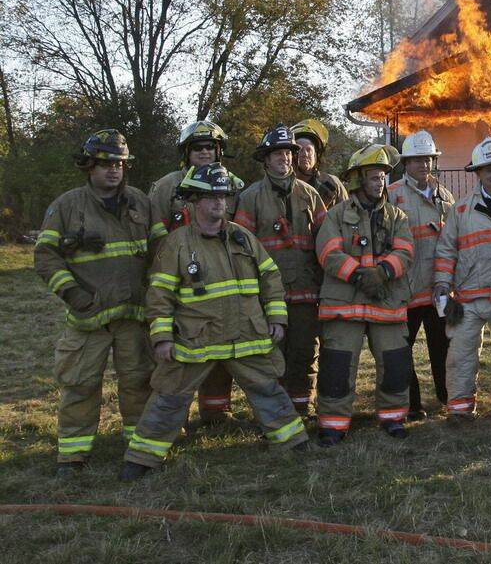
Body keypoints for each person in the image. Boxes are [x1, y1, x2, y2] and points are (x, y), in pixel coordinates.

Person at [120, 163, 307, 481]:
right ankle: (141, 459)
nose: (218, 203)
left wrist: (277, 317)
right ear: (192, 201)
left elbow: (271, 278)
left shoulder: (243, 238)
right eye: (209, 197)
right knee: (168, 397)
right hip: (196, 340)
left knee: (267, 389)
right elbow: (160, 294)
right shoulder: (177, 244)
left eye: (222, 196)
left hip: (246, 334)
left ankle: (294, 445)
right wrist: (162, 337)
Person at [34, 130, 154, 477]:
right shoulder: (67, 206)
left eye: (118, 163)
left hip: (134, 314)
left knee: (138, 381)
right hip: (89, 317)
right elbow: (45, 257)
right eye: (105, 164)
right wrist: (73, 293)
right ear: (89, 166)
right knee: (81, 384)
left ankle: (138, 446)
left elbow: (159, 249)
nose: (113, 170)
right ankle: (72, 455)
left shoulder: (139, 202)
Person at [314, 143, 415, 444]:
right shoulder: (336, 215)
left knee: (395, 362)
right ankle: (333, 424)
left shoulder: (397, 216)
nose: (380, 182)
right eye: (374, 177)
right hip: (345, 303)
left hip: (386, 302)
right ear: (358, 180)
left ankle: (393, 418)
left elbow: (406, 250)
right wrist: (359, 275)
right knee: (337, 365)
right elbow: (328, 252)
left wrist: (383, 272)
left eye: (383, 177)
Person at [147, 120, 244, 425]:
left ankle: (216, 413)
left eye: (210, 147)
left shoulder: (231, 184)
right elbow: (154, 236)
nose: (204, 152)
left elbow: (238, 233)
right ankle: (175, 422)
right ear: (186, 153)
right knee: (177, 354)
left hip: (219, 279)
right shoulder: (166, 186)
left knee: (218, 347)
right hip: (177, 280)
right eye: (198, 148)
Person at [433, 137, 491, 421]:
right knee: (461, 355)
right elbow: (446, 250)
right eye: (489, 169)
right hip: (468, 297)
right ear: (477, 173)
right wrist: (442, 283)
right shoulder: (460, 210)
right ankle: (460, 408)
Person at [234, 125, 327, 416]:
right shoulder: (250, 198)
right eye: (278, 154)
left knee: (303, 354)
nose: (285, 158)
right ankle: (274, 416)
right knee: (270, 358)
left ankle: (302, 411)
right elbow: (241, 250)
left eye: (288, 153)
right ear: (266, 159)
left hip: (306, 291)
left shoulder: (310, 195)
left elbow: (326, 242)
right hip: (268, 296)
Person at [387, 130, 455, 420]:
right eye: (417, 160)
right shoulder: (392, 195)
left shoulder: (445, 194)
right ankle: (412, 406)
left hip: (438, 289)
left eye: (428, 159)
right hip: (406, 288)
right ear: (406, 163)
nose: (424, 165)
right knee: (403, 350)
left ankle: (448, 397)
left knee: (444, 348)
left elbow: (453, 239)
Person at [291, 119, 349, 210]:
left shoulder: (332, 184)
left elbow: (347, 214)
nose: (305, 154)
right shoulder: (283, 185)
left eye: (309, 150)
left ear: (316, 155)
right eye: (300, 150)